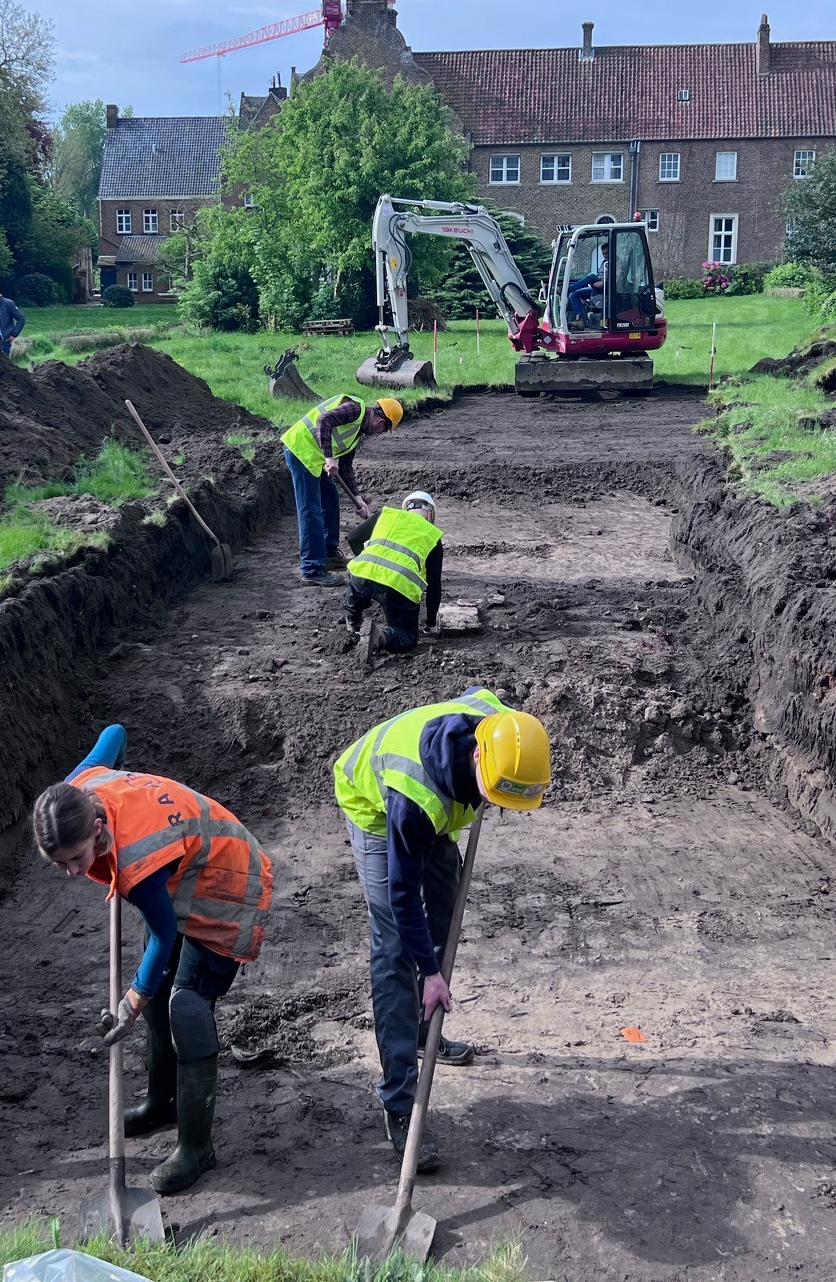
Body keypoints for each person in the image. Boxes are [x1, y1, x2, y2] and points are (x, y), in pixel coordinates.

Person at [33, 724, 273, 1195]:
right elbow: (116, 733)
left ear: (97, 829)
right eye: (58, 863)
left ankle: (196, 1147)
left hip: (226, 882)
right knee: (161, 989)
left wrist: (130, 1002)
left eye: (76, 858)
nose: (70, 873)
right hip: (179, 877)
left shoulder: (139, 862)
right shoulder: (79, 788)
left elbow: (164, 934)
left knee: (184, 1005)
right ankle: (161, 1103)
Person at [333, 690, 550, 1169]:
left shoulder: (499, 726)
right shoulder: (414, 801)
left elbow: (485, 703)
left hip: (442, 798)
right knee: (394, 947)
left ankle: (421, 1030)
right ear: (477, 755)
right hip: (374, 807)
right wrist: (430, 972)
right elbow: (402, 894)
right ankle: (398, 1103)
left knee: (446, 913)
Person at [279, 394, 403, 587]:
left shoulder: (356, 434)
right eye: (385, 429)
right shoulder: (354, 409)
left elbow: (345, 467)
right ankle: (311, 569)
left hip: (314, 458)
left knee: (331, 497)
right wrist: (329, 458)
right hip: (301, 451)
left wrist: (358, 498)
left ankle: (329, 554)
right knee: (310, 512)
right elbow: (324, 420)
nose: (381, 432)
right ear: (381, 421)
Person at [346, 490, 443, 663]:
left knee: (356, 598)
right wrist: (430, 624)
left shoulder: (386, 514)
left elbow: (353, 537)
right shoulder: (431, 534)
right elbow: (434, 585)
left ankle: (353, 622)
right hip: (398, 587)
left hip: (362, 576)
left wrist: (369, 563)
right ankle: (380, 637)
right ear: (429, 515)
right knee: (406, 636)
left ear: (406, 510)